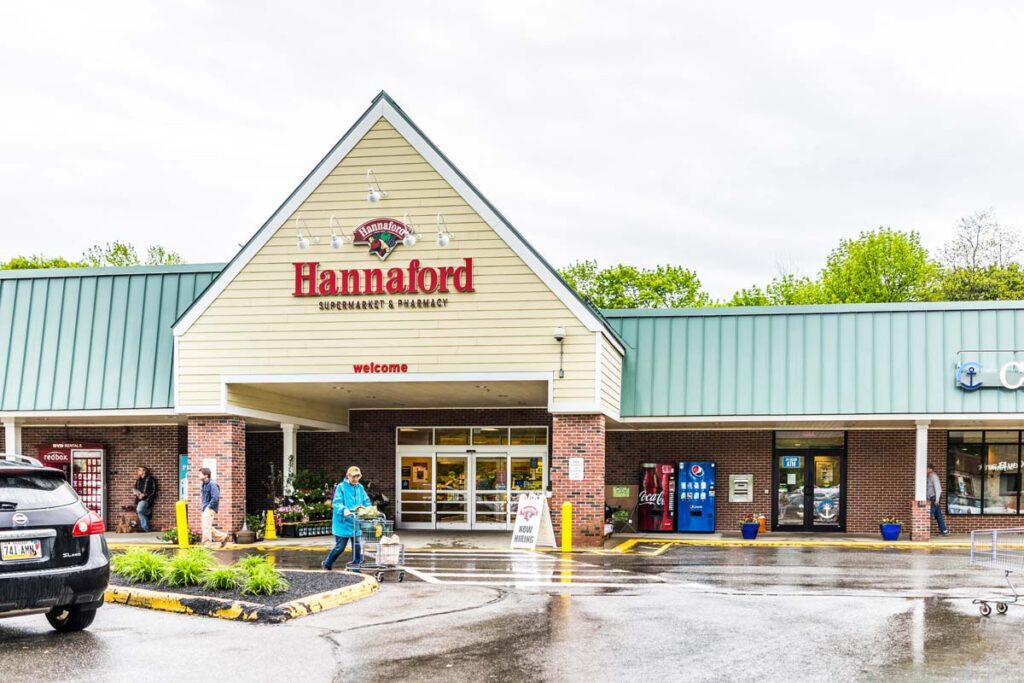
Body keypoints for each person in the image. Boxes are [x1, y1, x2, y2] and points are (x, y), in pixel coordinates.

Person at [322, 466, 371, 571]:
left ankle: (356, 566)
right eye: (353, 476)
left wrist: (369, 510)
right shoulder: (341, 487)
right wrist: (344, 510)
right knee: (340, 547)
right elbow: (336, 502)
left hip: (355, 521)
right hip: (343, 522)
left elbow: (366, 501)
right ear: (348, 476)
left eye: (357, 476)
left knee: (357, 546)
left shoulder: (360, 488)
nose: (355, 478)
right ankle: (327, 563)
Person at [200, 467, 230, 547]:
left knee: (206, 526)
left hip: (209, 508)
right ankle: (223, 537)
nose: (198, 475)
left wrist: (209, 507)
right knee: (206, 526)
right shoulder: (204, 484)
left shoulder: (212, 484)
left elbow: (215, 497)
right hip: (205, 508)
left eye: (200, 474)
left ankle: (207, 544)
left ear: (206, 475)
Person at [927, 464, 950, 536]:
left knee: (929, 514)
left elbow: (938, 489)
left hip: (935, 498)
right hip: (932, 497)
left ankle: (924, 531)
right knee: (938, 515)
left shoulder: (934, 476)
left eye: (926, 468)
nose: (925, 470)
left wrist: (937, 500)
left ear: (930, 469)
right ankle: (944, 530)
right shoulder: (929, 477)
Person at [132, 466, 157, 532]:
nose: (138, 471)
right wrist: (137, 493)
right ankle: (146, 528)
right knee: (140, 512)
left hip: (147, 499)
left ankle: (148, 512)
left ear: (144, 471)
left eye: (139, 470)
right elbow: (135, 489)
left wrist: (145, 494)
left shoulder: (151, 479)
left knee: (139, 510)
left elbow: (154, 490)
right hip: (139, 499)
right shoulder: (138, 480)